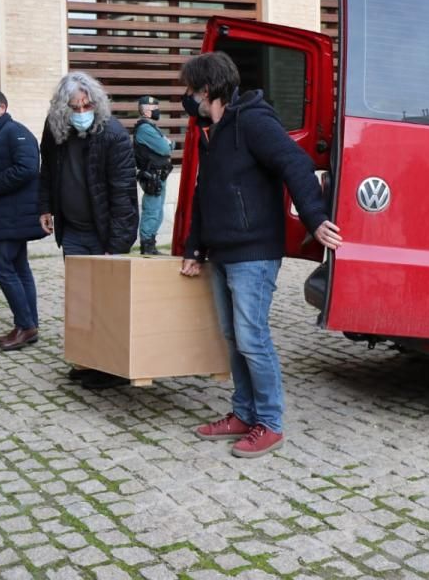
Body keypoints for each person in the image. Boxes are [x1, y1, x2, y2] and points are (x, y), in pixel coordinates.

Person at [178, 52, 342, 458]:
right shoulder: (212, 131)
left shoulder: (254, 120)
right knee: (234, 338)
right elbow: (203, 195)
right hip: (220, 251)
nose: (188, 98)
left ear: (209, 89)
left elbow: (295, 164)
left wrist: (315, 217)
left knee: (253, 339)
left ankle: (269, 423)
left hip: (254, 252)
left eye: (192, 90)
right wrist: (194, 248)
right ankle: (243, 413)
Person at [38, 72, 138, 389]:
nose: (81, 113)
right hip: (73, 231)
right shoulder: (56, 131)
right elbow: (47, 172)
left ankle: (113, 369)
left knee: (106, 303)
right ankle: (89, 359)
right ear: (63, 109)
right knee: (81, 301)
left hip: (103, 235)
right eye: (74, 107)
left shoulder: (114, 136)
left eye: (86, 106)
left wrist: (117, 245)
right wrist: (45, 207)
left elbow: (124, 197)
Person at [0, 88, 47, 351]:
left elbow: (28, 169)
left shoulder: (16, 132)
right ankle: (29, 324)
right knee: (19, 268)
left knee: (1, 267)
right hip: (6, 213)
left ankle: (25, 326)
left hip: (13, 215)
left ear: (2, 108)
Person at [133, 94, 173, 255]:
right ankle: (147, 245)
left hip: (159, 175)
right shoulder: (145, 129)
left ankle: (151, 243)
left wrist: (168, 142)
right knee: (152, 209)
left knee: (158, 210)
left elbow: (166, 145)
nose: (158, 111)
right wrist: (167, 142)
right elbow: (165, 148)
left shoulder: (150, 127)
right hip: (152, 176)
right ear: (147, 111)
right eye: (155, 109)